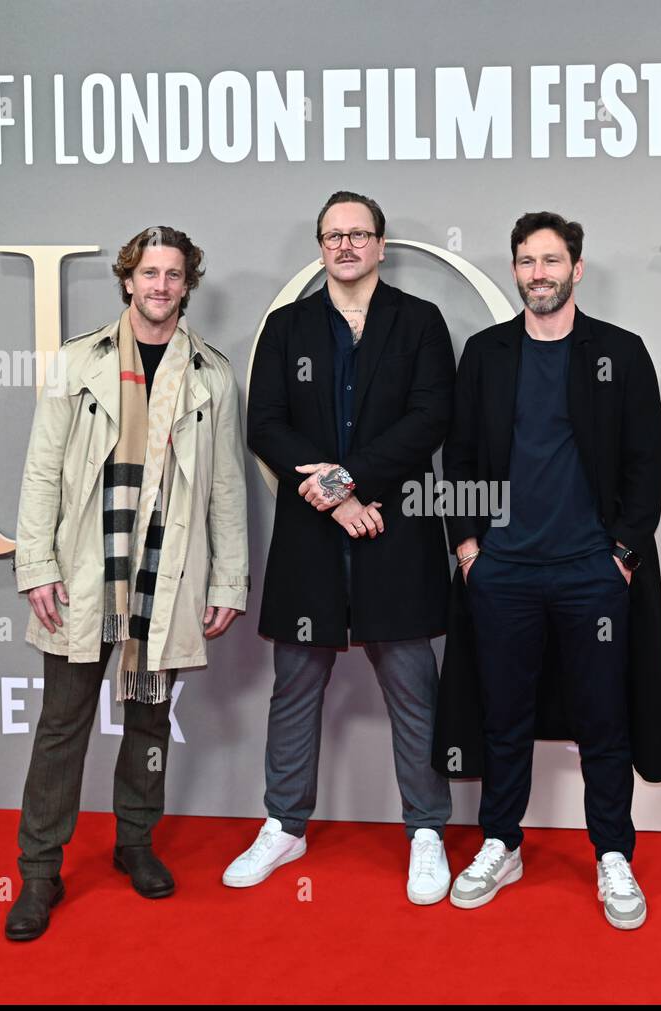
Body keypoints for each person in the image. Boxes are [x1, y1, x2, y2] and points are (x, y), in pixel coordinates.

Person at [5, 225, 248, 940]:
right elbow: (42, 471)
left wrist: (228, 579)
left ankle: (135, 843)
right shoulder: (78, 361)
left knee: (149, 720)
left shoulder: (211, 373)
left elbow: (227, 488)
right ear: (128, 279)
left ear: (187, 283)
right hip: (86, 567)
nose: (161, 285)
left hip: (163, 571)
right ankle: (39, 872)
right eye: (149, 272)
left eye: (174, 274)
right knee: (62, 725)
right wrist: (37, 565)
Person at [436, 211, 661, 930]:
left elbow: (648, 459)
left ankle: (612, 855)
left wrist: (623, 555)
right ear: (515, 271)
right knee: (503, 720)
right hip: (504, 571)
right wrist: (469, 549)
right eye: (526, 262)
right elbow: (461, 458)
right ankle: (501, 844)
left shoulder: (620, 353)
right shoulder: (485, 353)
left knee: (604, 722)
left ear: (576, 267)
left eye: (550, 260)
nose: (538, 273)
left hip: (591, 575)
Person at [228, 191, 455, 904]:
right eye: (334, 235)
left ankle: (425, 830)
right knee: (294, 690)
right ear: (320, 246)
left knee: (415, 691)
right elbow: (264, 423)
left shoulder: (419, 323)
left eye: (360, 234)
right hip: (314, 540)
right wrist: (337, 498)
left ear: (381, 246)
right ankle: (284, 824)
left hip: (395, 533)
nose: (347, 245)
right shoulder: (287, 327)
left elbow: (431, 419)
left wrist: (349, 478)